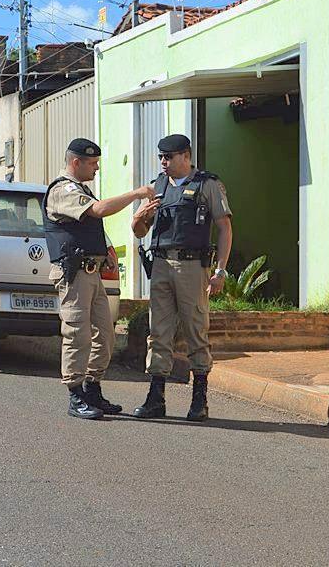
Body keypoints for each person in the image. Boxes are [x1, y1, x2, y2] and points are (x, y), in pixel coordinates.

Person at [43, 138, 156, 419]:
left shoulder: (82, 189)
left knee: (104, 334)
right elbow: (98, 210)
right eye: (92, 163)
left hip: (92, 274)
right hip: (74, 275)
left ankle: (92, 387)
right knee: (76, 334)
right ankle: (75, 393)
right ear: (75, 162)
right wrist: (136, 194)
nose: (96, 169)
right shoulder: (63, 190)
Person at [130, 134, 233, 421]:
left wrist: (220, 271)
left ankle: (199, 398)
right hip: (160, 264)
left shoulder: (207, 184)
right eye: (161, 157)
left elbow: (224, 227)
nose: (163, 162)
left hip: (191, 266)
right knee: (158, 332)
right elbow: (139, 231)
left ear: (186, 156)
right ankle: (156, 398)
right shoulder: (157, 186)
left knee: (195, 330)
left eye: (169, 157)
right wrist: (139, 218)